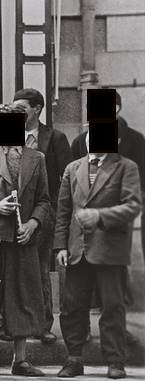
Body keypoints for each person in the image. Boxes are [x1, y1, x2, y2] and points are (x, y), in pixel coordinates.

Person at [0, 103, 50, 377]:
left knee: (23, 295)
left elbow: (43, 200)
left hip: (22, 238)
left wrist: (32, 223)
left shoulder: (36, 158)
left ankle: (21, 359)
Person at [55, 133, 141, 379]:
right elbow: (64, 211)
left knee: (113, 306)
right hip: (77, 249)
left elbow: (133, 205)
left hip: (110, 249)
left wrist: (100, 216)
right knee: (72, 307)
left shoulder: (126, 167)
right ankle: (74, 359)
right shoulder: (73, 168)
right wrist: (60, 246)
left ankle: (115, 362)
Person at [70, 91, 145, 346]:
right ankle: (83, 339)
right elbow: (73, 185)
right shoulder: (81, 141)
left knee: (114, 295)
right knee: (79, 296)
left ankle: (117, 340)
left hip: (114, 226)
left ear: (118, 109)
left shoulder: (134, 140)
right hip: (83, 230)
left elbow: (138, 186)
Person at [13, 88, 73, 344]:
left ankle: (43, 325)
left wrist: (55, 213)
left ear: (37, 109)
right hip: (12, 214)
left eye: (23, 108)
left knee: (40, 271)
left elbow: (66, 177)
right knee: (14, 271)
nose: (18, 112)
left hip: (43, 213)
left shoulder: (55, 138)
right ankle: (13, 323)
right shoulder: (7, 136)